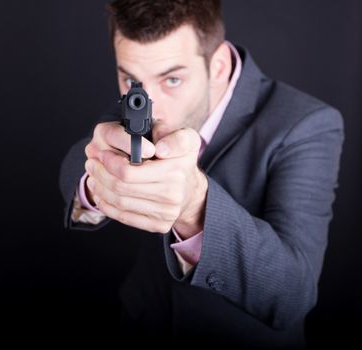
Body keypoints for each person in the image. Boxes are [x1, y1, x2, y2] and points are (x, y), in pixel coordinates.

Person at [59, 0, 344, 347]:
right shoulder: (146, 92)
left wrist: (196, 208)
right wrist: (97, 179)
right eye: (131, 80)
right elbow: (82, 156)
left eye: (173, 79)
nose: (149, 105)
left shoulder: (307, 125)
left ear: (219, 66)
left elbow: (292, 295)